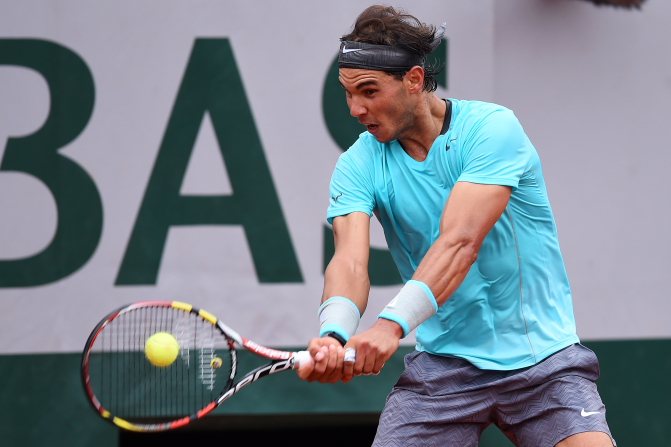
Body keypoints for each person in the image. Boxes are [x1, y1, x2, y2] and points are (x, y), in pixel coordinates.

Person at [297, 5, 615, 447]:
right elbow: (349, 262)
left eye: (368, 90)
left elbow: (460, 243)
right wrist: (333, 333)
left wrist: (388, 327)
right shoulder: (357, 164)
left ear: (413, 79)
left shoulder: (492, 130)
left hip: (542, 359)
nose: (355, 108)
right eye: (347, 93)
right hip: (443, 368)